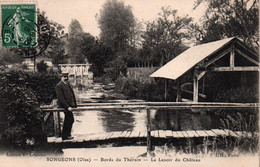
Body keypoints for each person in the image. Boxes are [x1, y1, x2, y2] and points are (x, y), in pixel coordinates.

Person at [55, 72, 77, 140]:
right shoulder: (59, 85)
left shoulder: (68, 84)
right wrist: (67, 107)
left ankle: (66, 135)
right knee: (70, 119)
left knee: (69, 119)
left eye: (67, 76)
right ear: (61, 77)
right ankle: (65, 136)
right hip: (64, 106)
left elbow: (72, 95)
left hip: (69, 106)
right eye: (64, 77)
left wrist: (75, 105)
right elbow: (61, 98)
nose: (66, 78)